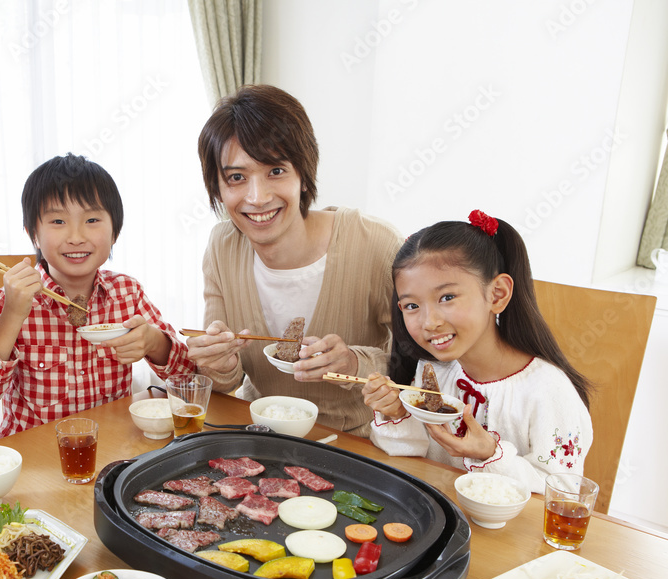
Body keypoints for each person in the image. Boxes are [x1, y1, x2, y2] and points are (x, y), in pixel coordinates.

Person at [185, 84, 403, 435]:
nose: (257, 198)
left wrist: (353, 363)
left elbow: (428, 371)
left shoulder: (374, 244)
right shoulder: (222, 247)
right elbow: (227, 382)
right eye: (237, 178)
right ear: (218, 187)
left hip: (360, 443)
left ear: (303, 174)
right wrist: (219, 364)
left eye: (275, 171)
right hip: (261, 438)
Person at [0, 153, 195, 434]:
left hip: (112, 454)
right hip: (36, 464)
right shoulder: (13, 299)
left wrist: (155, 343)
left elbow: (190, 380)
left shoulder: (127, 293)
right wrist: (12, 314)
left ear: (115, 233)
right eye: (58, 222)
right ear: (33, 234)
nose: (75, 236)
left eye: (92, 219)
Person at [363, 210, 593, 494]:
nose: (429, 322)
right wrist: (397, 411)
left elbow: (562, 492)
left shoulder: (548, 391)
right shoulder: (431, 371)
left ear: (497, 294)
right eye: (412, 306)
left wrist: (490, 453)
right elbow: (414, 457)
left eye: (447, 297)